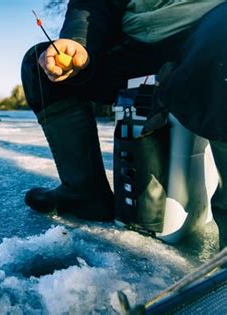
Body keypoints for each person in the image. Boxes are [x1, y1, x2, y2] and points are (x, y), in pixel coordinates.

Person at [21, 1, 227, 249]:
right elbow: (92, 6)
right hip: (137, 44)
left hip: (208, 28)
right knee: (39, 65)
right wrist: (77, 43)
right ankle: (83, 193)